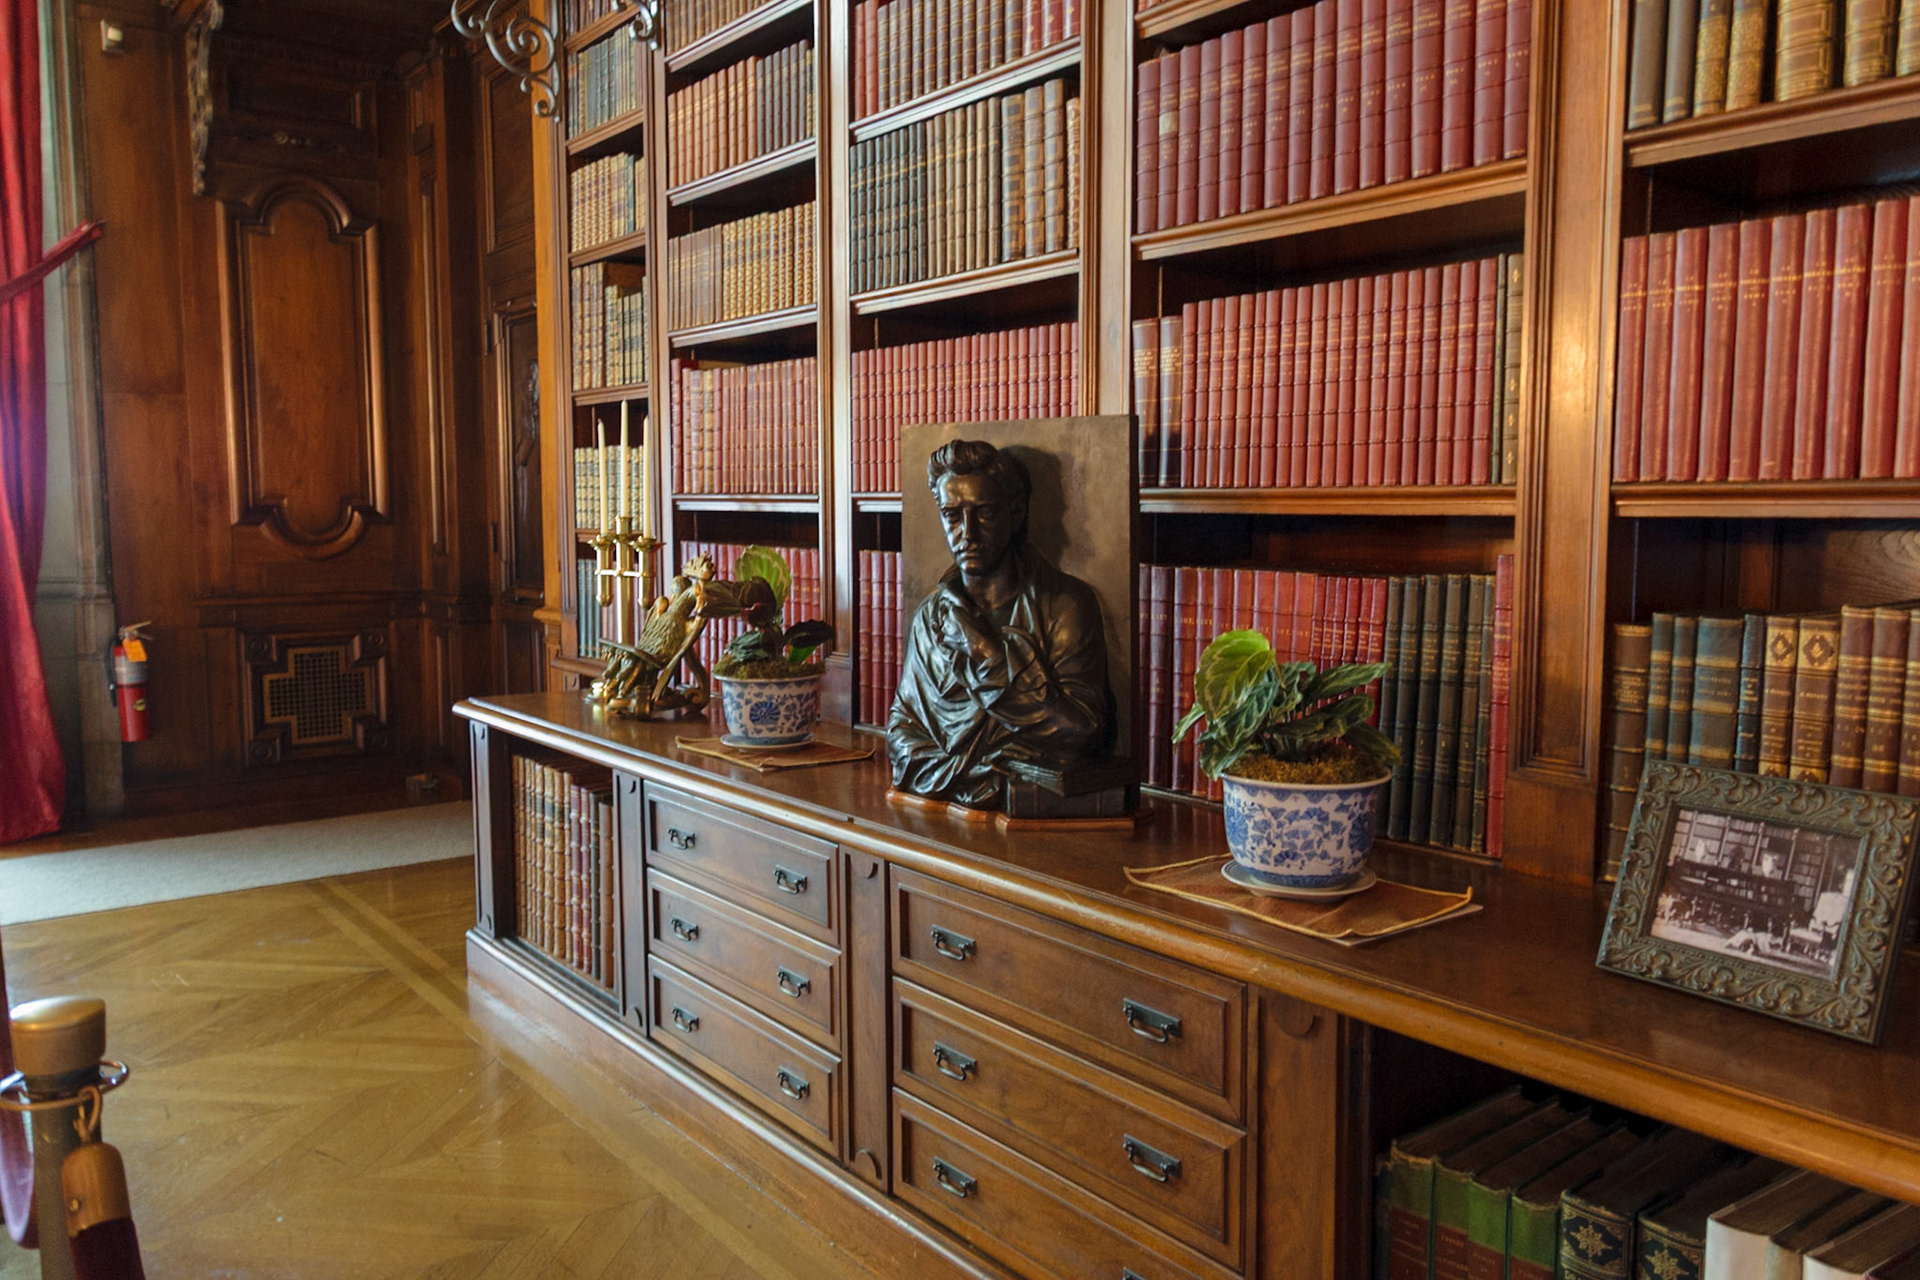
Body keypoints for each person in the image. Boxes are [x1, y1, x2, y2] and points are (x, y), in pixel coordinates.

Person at [887, 439, 1117, 810]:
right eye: (952, 515)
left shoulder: (1065, 608)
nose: (968, 533)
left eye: (986, 513)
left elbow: (1081, 731)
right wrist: (982, 772)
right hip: (940, 821)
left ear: (1016, 511)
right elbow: (901, 735)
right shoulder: (930, 619)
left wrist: (987, 653)